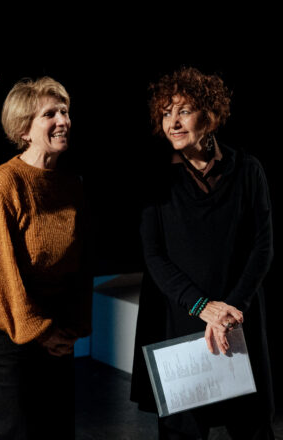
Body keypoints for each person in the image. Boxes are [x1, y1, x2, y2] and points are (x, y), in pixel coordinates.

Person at [130, 67, 275, 439]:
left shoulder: (248, 171)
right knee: (183, 431)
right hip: (179, 319)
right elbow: (153, 255)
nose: (173, 123)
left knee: (252, 427)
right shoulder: (155, 178)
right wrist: (202, 306)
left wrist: (229, 309)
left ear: (209, 117)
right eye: (166, 113)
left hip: (237, 318)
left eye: (184, 111)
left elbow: (262, 246)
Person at [0, 76, 92, 439]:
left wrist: (71, 328)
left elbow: (79, 263)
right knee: (18, 431)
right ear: (24, 130)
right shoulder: (3, 184)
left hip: (56, 322)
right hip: (8, 321)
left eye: (65, 112)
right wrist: (41, 332)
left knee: (57, 428)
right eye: (50, 114)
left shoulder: (71, 183)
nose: (63, 121)